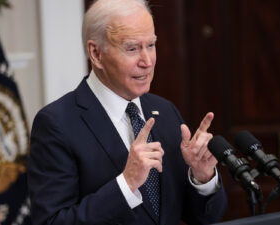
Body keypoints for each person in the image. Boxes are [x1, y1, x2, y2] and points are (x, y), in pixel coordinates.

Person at [28, 0, 227, 224]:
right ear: (96, 53)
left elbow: (204, 217)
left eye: (151, 45)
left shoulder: (165, 111)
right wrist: (126, 184)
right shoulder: (57, 124)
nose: (147, 61)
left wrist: (202, 177)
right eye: (132, 48)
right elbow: (51, 222)